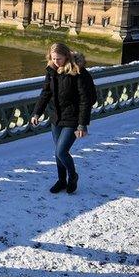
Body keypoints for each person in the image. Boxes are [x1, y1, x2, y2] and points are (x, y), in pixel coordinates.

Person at [30, 43, 93, 195]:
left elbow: (86, 99)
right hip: (56, 117)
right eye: (53, 59)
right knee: (58, 152)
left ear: (67, 56)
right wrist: (36, 113)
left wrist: (82, 124)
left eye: (59, 58)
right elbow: (45, 93)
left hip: (73, 118)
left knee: (61, 151)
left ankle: (73, 176)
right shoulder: (51, 70)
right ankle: (61, 180)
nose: (56, 62)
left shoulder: (78, 72)